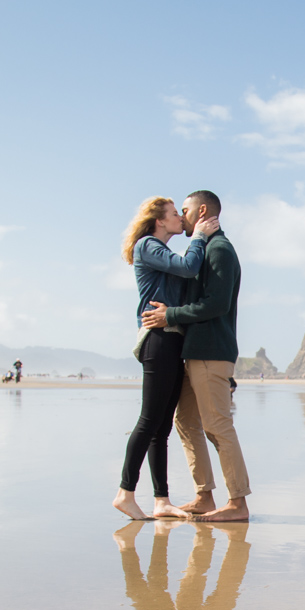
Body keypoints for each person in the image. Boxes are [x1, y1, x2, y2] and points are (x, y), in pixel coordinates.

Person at [142, 190, 250, 523]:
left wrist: (170, 315)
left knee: (217, 426)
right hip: (193, 352)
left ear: (201, 211)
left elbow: (216, 304)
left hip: (211, 352)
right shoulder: (203, 249)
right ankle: (204, 496)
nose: (182, 216)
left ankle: (237, 503)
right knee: (186, 422)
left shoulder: (220, 249)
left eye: (185, 210)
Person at [113, 196, 218, 521]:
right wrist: (199, 236)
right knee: (149, 421)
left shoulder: (163, 251)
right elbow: (188, 267)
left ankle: (161, 500)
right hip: (157, 340)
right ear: (159, 220)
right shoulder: (148, 245)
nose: (180, 218)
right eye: (175, 214)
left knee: (162, 428)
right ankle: (125, 493)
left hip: (172, 339)